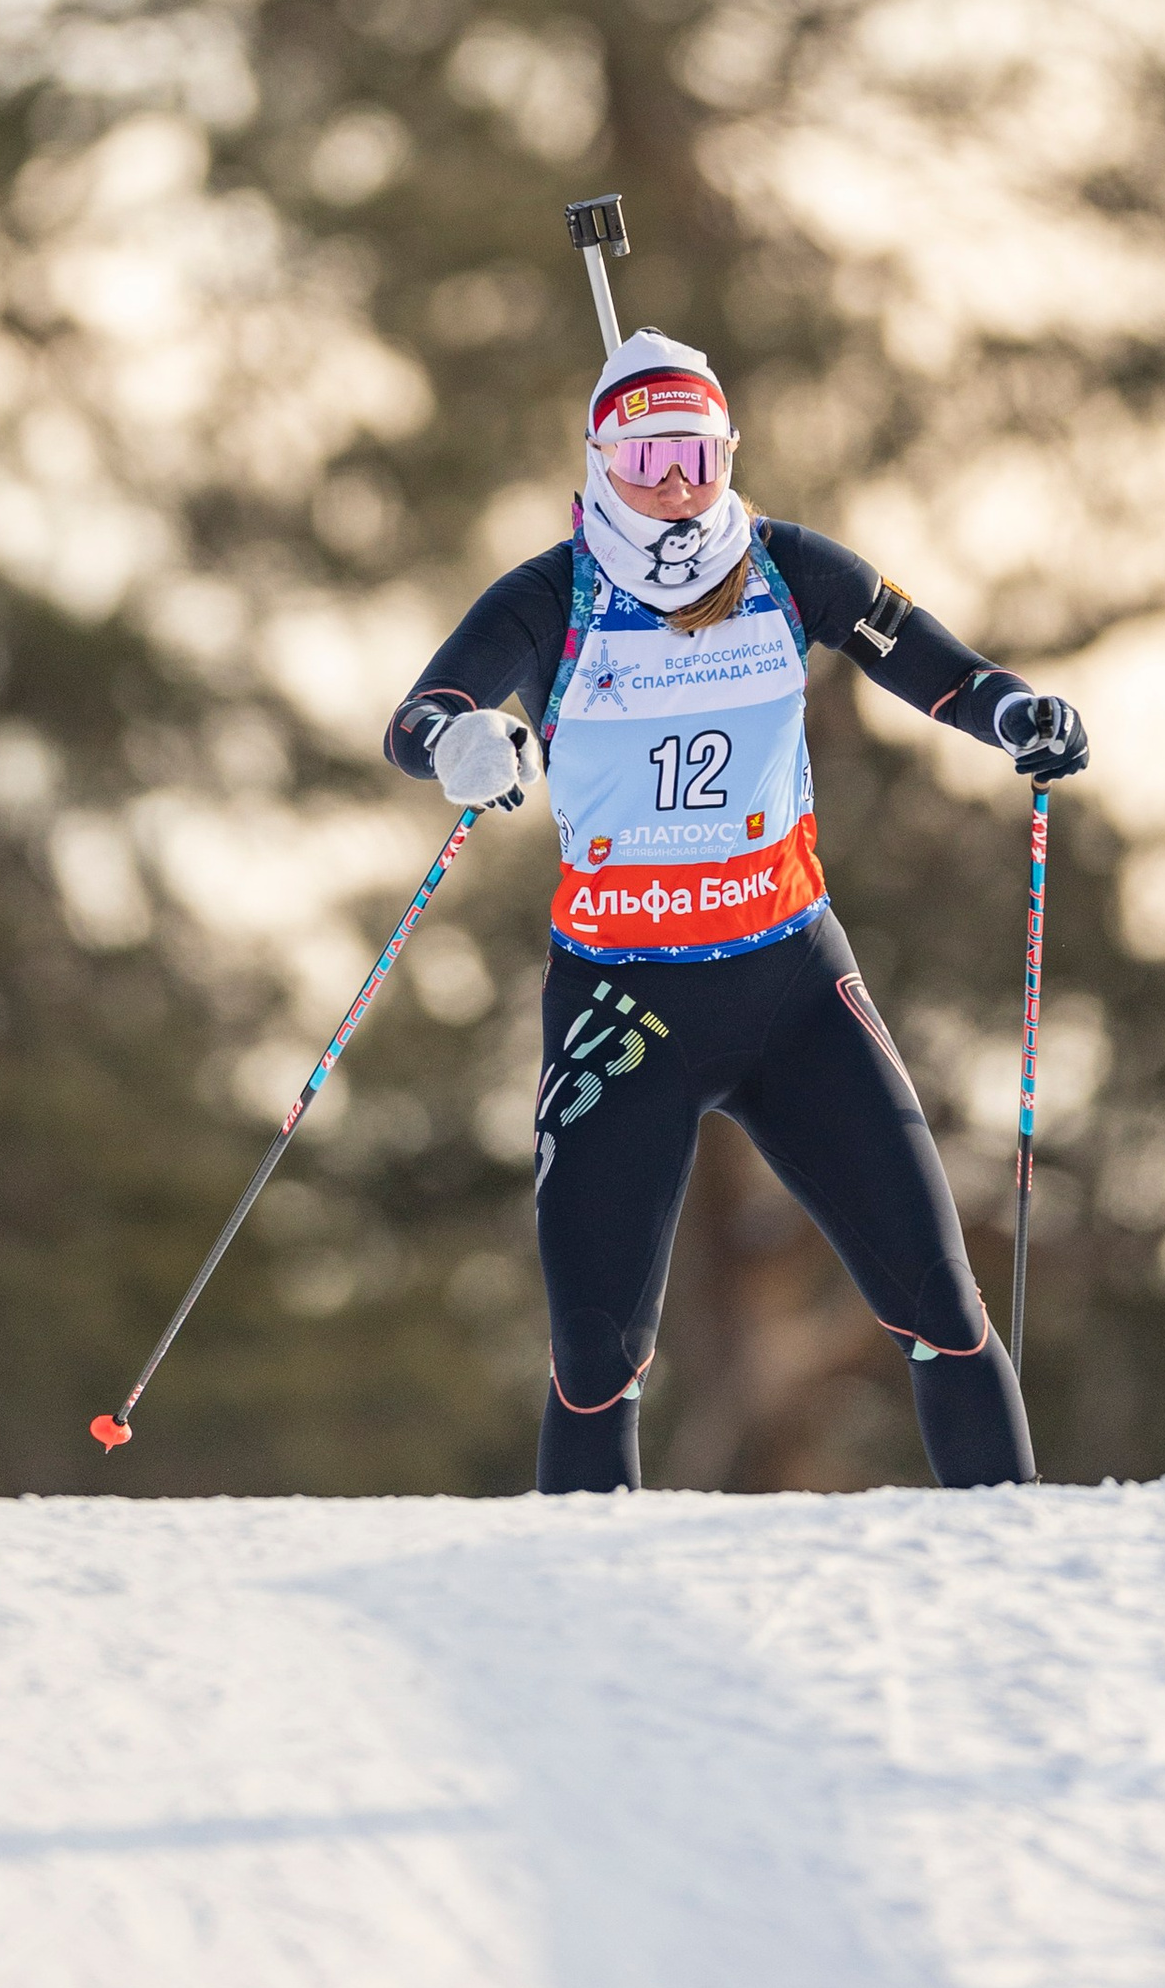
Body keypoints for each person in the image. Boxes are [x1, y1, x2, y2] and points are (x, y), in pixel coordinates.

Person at [383, 326, 1088, 1492]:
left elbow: (943, 671)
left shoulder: (786, 567)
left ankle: (1025, 1568)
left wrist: (1018, 716)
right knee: (595, 1360)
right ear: (600, 462)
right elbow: (417, 720)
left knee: (941, 1311)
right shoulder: (552, 594)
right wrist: (460, 741)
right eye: (645, 460)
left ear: (728, 455)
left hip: (792, 990)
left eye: (697, 457)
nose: (673, 486)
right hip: (622, 1008)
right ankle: (586, 1598)